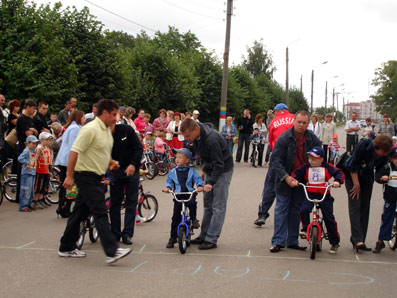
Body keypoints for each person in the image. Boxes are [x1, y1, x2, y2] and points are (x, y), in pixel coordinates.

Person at [58, 99, 131, 264]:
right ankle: (112, 251)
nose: (116, 118)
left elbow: (103, 151)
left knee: (80, 213)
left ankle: (66, 246)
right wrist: (69, 176)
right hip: (84, 175)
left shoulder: (105, 130)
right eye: (113, 114)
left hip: (96, 176)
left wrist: (112, 162)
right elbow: (74, 152)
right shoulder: (89, 129)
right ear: (104, 113)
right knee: (100, 210)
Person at [269, 110, 322, 253]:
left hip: (303, 181)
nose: (301, 125)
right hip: (284, 179)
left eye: (304, 123)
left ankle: (292, 240)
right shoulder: (284, 138)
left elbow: (320, 157)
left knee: (296, 211)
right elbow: (276, 160)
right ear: (294, 122)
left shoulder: (312, 139)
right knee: (281, 209)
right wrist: (286, 177)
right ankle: (278, 242)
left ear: (308, 124)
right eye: (299, 122)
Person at [180, 119, 233, 250]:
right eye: (185, 136)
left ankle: (211, 238)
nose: (187, 139)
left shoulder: (211, 139)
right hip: (211, 168)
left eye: (188, 136)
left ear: (196, 129)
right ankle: (204, 235)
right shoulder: (198, 137)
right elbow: (203, 155)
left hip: (222, 170)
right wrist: (204, 169)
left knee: (218, 206)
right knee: (207, 204)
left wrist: (211, 182)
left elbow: (219, 164)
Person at [344, 134, 393, 252]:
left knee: (365, 208)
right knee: (355, 207)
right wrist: (356, 185)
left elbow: (380, 171)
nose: (386, 154)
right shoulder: (363, 145)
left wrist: (382, 178)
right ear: (377, 147)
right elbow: (353, 166)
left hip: (367, 178)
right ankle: (357, 240)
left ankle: (360, 239)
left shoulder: (384, 155)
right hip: (352, 177)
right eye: (384, 151)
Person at [293, 146, 344, 254]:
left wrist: (337, 181)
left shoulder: (327, 167)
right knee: (303, 210)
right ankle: (306, 228)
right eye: (310, 159)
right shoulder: (306, 167)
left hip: (324, 194)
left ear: (321, 159)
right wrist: (295, 180)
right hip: (310, 193)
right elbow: (296, 173)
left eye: (314, 159)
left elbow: (339, 173)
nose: (311, 161)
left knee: (329, 218)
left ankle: (334, 242)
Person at [254, 103, 294, 226]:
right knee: (295, 185)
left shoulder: (274, 122)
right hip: (294, 157)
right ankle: (298, 219)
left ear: (278, 111)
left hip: (278, 158)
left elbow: (271, 142)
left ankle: (262, 214)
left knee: (270, 186)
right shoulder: (294, 118)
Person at [109, 122, 143, 245]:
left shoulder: (126, 130)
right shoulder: (102, 134)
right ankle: (115, 233)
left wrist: (133, 164)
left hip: (131, 170)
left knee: (131, 202)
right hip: (115, 172)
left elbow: (138, 149)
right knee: (114, 204)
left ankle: (127, 234)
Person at [163, 148, 204, 248]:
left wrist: (199, 185)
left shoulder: (191, 171)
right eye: (176, 157)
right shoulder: (173, 172)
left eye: (180, 157)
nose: (177, 159)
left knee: (192, 203)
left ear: (187, 160)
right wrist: (167, 187)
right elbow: (169, 181)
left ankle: (193, 219)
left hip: (189, 193)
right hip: (178, 195)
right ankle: (172, 238)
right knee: (176, 217)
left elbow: (198, 179)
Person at [54, 110, 85, 218]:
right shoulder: (75, 129)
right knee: (68, 184)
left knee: (66, 184)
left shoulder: (72, 127)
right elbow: (74, 146)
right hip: (67, 159)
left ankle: (63, 206)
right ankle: (63, 207)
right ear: (78, 117)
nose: (84, 120)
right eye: (83, 117)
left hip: (65, 158)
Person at [372, 147, 397, 253]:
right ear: (391, 158)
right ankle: (380, 240)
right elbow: (377, 176)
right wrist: (382, 178)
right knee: (387, 217)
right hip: (390, 197)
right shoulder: (387, 167)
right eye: (395, 158)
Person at [15, 100, 38, 203]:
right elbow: (29, 134)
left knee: (29, 173)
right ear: (28, 107)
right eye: (33, 108)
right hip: (22, 147)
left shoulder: (29, 119)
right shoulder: (22, 119)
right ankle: (20, 197)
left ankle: (27, 197)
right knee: (22, 173)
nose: (34, 110)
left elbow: (35, 132)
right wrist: (32, 130)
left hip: (29, 148)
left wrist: (33, 130)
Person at [17, 135, 39, 212]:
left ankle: (29, 204)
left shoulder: (34, 151)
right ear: (27, 143)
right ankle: (23, 206)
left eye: (35, 143)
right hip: (26, 173)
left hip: (32, 172)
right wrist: (27, 162)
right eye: (33, 143)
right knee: (25, 190)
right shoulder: (26, 151)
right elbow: (20, 158)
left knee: (31, 190)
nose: (34, 145)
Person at [33, 132, 54, 209]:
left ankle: (42, 199)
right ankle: (36, 200)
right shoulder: (39, 148)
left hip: (45, 170)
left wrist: (49, 170)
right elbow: (35, 159)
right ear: (41, 140)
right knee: (38, 186)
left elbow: (48, 161)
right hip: (39, 170)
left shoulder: (47, 149)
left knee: (44, 186)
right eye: (47, 140)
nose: (49, 142)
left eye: (50, 140)